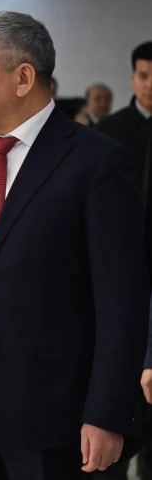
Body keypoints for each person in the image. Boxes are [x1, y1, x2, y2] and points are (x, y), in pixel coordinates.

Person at [0, 11, 149, 480]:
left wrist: (106, 411)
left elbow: (122, 301)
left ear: (22, 78)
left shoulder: (98, 162)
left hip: (53, 414)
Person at [96, 41, 152, 480]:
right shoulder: (108, 132)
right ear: (132, 77)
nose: (150, 85)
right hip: (117, 266)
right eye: (144, 76)